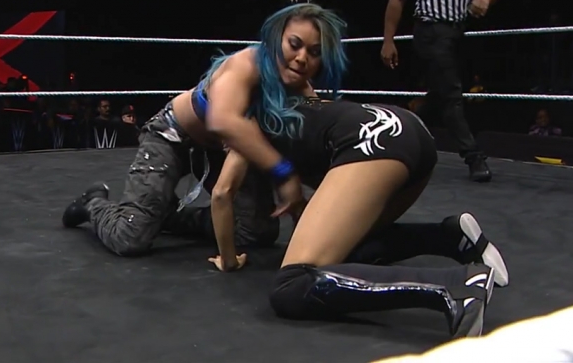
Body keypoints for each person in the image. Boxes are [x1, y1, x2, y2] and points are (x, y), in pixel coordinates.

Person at [61, 1, 347, 257]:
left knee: (256, 231)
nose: (301, 58)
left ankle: (167, 217)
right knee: (129, 237)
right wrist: (284, 172)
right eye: (294, 44)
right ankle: (93, 203)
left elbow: (319, 128)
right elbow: (223, 120)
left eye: (314, 52)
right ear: (276, 38)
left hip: (218, 150)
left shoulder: (302, 90)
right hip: (174, 136)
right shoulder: (246, 65)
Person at [208, 97, 508, 338]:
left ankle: (455, 285)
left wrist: (229, 260)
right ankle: (449, 237)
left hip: (375, 144)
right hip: (409, 131)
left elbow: (222, 194)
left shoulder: (245, 126)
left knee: (292, 286)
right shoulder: (295, 107)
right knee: (344, 255)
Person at [380, 0, 499, 183]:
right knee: (452, 94)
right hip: (430, 32)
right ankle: (473, 156)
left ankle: (401, 136)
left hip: (459, 33)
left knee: (440, 95)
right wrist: (388, 40)